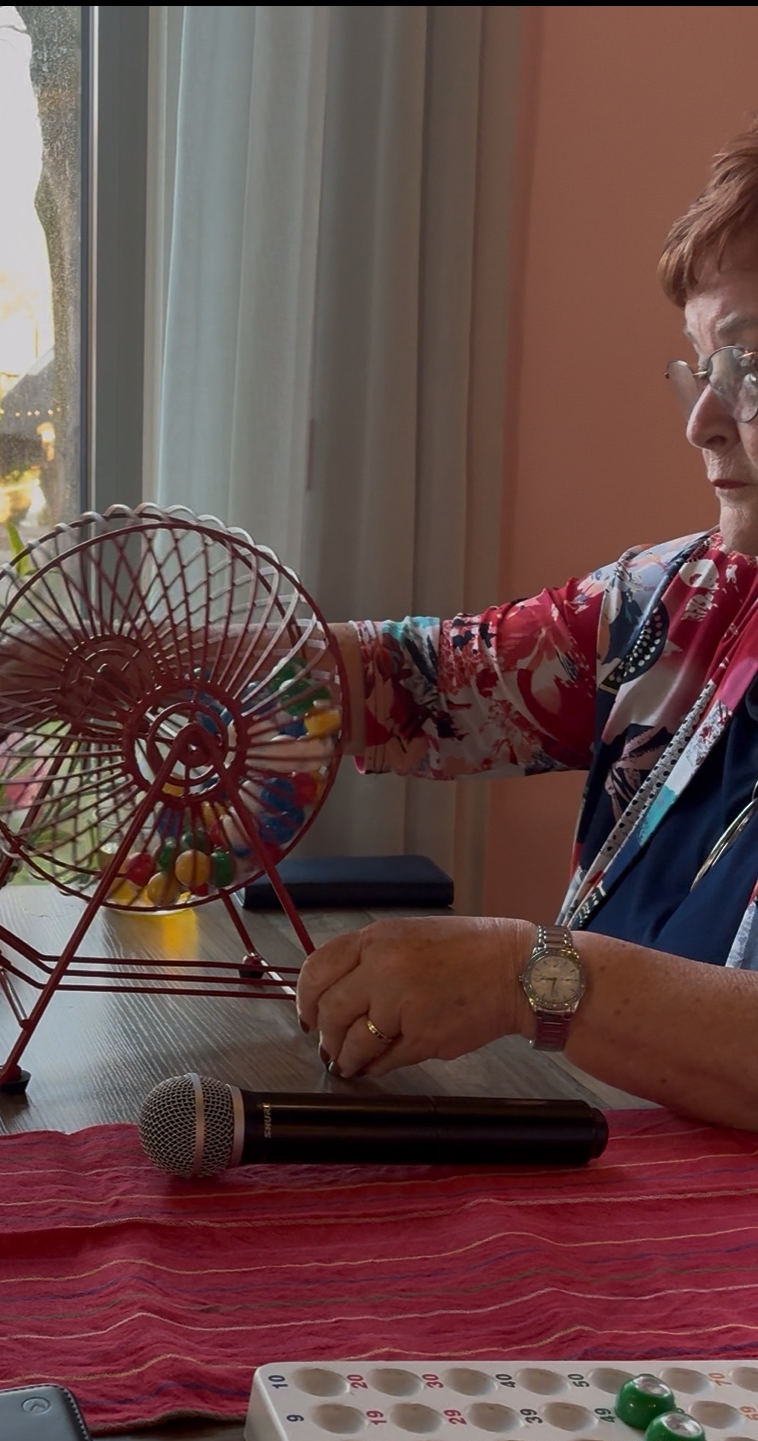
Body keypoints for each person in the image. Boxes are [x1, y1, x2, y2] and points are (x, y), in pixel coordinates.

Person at [296, 122, 758, 1131]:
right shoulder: (683, 598)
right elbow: (421, 676)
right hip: (614, 1169)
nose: (701, 421)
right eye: (701, 368)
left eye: (752, 368)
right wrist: (137, 664)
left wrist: (524, 976)